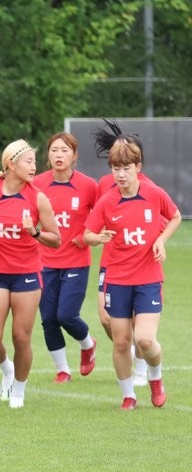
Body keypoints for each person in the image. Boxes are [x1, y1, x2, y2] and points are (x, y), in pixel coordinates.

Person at [83, 134, 180, 410]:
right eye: (116, 169)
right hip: (117, 281)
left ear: (138, 167)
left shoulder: (154, 193)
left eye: (126, 168)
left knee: (145, 340)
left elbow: (174, 216)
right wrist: (97, 237)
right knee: (122, 341)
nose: (121, 174)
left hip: (148, 279)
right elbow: (87, 233)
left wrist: (161, 240)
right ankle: (128, 395)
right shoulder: (107, 201)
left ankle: (155, 375)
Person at [0, 141, 60, 409]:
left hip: (26, 274)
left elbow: (56, 239)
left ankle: (19, 391)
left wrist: (34, 232)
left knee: (21, 337)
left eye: (35, 161)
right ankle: (7, 370)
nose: (34, 166)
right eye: (28, 161)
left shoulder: (38, 198)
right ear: (10, 164)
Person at [92, 121, 156, 386]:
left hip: (140, 265)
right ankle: (126, 350)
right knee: (107, 318)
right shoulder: (105, 183)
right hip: (111, 261)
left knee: (136, 320)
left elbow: (160, 221)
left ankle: (141, 365)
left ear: (137, 161)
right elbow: (96, 217)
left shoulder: (148, 188)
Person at [32, 132, 100, 383]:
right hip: (43, 262)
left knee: (66, 315)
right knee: (48, 318)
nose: (59, 155)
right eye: (54, 150)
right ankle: (62, 369)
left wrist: (85, 236)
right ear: (47, 155)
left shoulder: (88, 186)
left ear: (74, 155)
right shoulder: (36, 184)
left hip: (75, 261)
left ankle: (87, 343)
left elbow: (100, 215)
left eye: (64, 150)